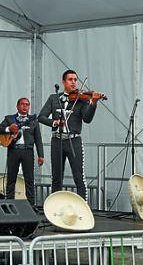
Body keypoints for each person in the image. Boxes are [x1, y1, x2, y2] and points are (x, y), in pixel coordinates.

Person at [38, 69, 102, 200]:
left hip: (74, 141)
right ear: (63, 82)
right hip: (57, 140)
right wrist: (54, 122)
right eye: (70, 79)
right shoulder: (54, 98)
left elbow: (87, 119)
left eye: (75, 80)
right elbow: (41, 117)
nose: (73, 82)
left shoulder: (82, 99)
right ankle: (55, 208)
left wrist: (93, 103)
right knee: (56, 178)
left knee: (79, 176)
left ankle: (83, 206)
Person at [0, 97, 44, 206]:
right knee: (11, 179)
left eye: (27, 104)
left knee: (29, 180)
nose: (25, 106)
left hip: (28, 152)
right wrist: (8, 129)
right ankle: (9, 204)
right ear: (17, 106)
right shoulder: (9, 119)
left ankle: (31, 206)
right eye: (22, 104)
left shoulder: (33, 121)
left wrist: (41, 155)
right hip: (13, 151)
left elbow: (38, 139)